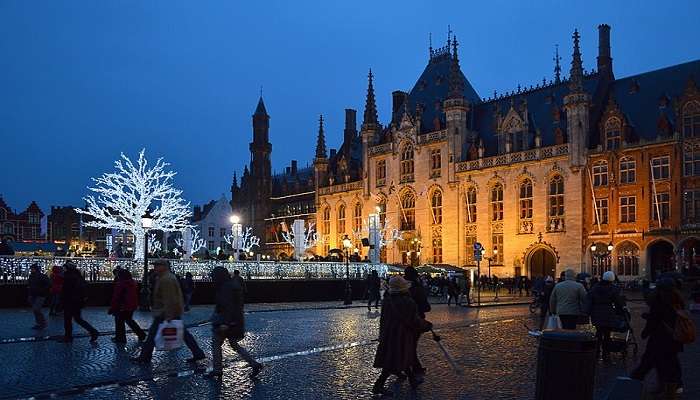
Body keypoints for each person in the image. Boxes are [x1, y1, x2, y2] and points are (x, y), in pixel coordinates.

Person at [131, 259, 205, 364]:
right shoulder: (165, 277)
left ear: (164, 266)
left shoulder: (166, 279)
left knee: (152, 335)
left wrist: (168, 314)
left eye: (157, 265)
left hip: (165, 312)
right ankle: (197, 352)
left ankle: (145, 356)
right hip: (169, 311)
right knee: (183, 333)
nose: (154, 268)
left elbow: (170, 298)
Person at [372, 275, 430, 395]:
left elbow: (383, 320)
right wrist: (426, 325)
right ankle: (378, 385)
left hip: (389, 334)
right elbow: (414, 320)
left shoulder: (387, 301)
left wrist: (382, 334)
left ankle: (412, 380)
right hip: (403, 334)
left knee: (403, 356)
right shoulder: (407, 302)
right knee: (397, 358)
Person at [630, 279, 686, 395]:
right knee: (668, 362)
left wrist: (645, 332)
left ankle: (633, 383)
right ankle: (671, 386)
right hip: (673, 339)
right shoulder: (677, 301)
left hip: (659, 338)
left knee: (649, 362)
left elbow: (655, 319)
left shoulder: (660, 301)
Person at [205, 267, 262, 378]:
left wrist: (225, 323)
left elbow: (228, 306)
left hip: (226, 322)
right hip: (233, 321)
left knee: (216, 344)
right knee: (234, 345)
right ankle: (254, 364)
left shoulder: (225, 287)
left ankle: (217, 369)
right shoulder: (231, 285)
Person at [586, 271, 625, 362]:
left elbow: (589, 299)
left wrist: (588, 312)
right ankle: (606, 352)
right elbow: (618, 302)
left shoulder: (595, 287)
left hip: (596, 312)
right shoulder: (613, 288)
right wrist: (621, 310)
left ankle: (596, 352)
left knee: (599, 332)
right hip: (608, 312)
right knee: (607, 333)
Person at [59, 261, 99, 342]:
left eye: (64, 268)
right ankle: (93, 331)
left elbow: (66, 291)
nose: (63, 269)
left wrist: (62, 301)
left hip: (69, 301)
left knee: (68, 319)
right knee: (77, 319)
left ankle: (68, 337)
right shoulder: (78, 276)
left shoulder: (69, 277)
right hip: (77, 301)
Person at [404, 266, 430, 376]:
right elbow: (425, 306)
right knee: (411, 345)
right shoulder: (417, 288)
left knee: (408, 344)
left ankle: (413, 367)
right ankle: (414, 368)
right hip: (416, 321)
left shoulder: (402, 288)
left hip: (404, 322)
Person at [109, 269, 146, 343]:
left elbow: (117, 296)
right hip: (131, 305)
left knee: (119, 322)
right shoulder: (132, 282)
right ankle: (141, 334)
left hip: (122, 306)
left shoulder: (121, 283)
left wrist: (113, 307)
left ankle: (120, 338)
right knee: (129, 320)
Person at [27, 264, 50, 330]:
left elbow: (48, 284)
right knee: (36, 310)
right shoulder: (37, 276)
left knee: (36, 309)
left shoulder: (35, 276)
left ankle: (42, 323)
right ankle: (40, 323)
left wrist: (41, 290)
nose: (31, 270)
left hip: (39, 295)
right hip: (36, 294)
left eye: (32, 269)